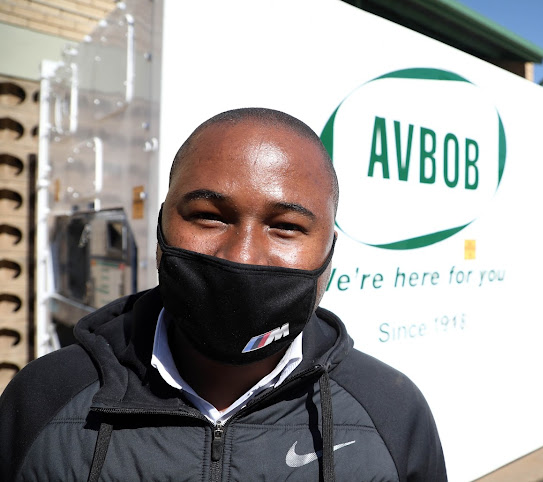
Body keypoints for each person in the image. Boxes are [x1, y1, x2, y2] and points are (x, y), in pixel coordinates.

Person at [0, 108, 447, 481]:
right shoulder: (45, 397)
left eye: (286, 226)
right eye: (209, 216)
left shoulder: (391, 411)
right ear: (160, 229)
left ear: (330, 250)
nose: (242, 255)